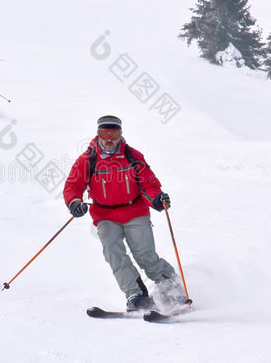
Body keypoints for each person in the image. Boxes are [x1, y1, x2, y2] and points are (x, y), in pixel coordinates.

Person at [63, 115, 187, 312]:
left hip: (135, 211)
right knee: (114, 254)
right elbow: (72, 185)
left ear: (121, 134)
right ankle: (136, 294)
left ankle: (172, 290)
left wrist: (157, 198)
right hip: (104, 215)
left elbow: (149, 184)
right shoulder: (88, 159)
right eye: (105, 133)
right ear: (98, 134)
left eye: (115, 133)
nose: (110, 138)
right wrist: (74, 202)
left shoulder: (132, 156)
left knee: (145, 255)